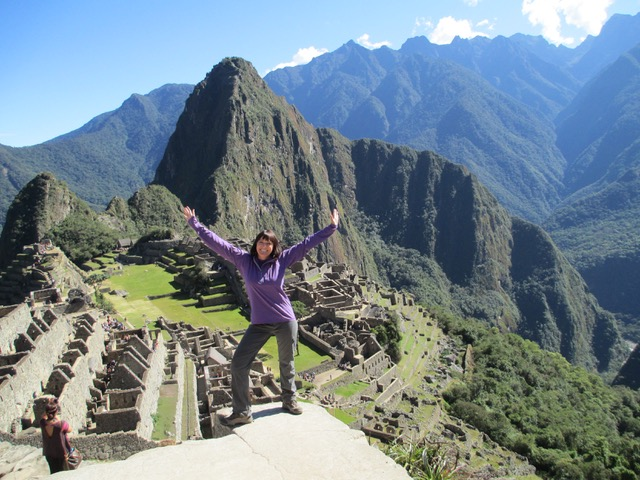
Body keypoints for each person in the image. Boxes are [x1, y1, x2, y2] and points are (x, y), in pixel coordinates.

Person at [183, 205, 339, 426]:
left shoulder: (282, 260)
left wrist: (331, 228)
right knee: (238, 363)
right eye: (261, 242)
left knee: (287, 363)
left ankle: (289, 400)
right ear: (256, 244)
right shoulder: (243, 261)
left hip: (285, 320)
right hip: (259, 323)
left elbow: (306, 244)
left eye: (269, 243)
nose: (264, 246)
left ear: (274, 247)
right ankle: (242, 412)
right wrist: (194, 224)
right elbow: (218, 244)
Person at [39, 397, 72, 474]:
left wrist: (48, 406)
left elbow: (43, 417)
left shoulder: (42, 423)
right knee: (63, 474)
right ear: (56, 412)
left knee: (54, 473)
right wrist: (58, 418)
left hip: (49, 453)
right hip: (61, 454)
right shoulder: (61, 424)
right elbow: (70, 429)